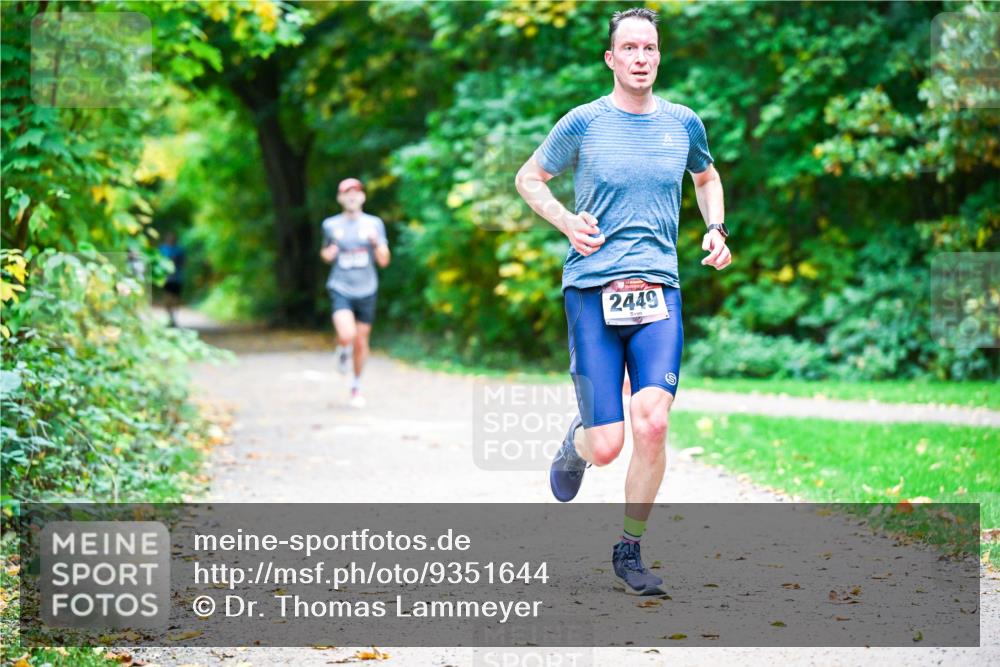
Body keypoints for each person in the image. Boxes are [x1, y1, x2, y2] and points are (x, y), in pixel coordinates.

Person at [514, 7, 732, 595]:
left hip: (659, 289)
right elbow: (528, 178)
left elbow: (706, 178)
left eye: (650, 48)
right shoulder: (583, 123)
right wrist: (564, 221)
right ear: (611, 59)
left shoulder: (683, 123)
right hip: (592, 291)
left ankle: (629, 548)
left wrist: (717, 230)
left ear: (659, 56)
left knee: (653, 422)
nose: (641, 58)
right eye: (630, 48)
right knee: (607, 445)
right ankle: (576, 443)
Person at [320, 177, 391, 408]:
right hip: (341, 286)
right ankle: (342, 349)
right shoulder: (331, 225)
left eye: (356, 192)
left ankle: (356, 385)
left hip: (367, 288)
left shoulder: (374, 224)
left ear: (362, 197)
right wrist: (329, 252)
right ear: (340, 198)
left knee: (361, 341)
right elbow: (325, 255)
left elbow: (384, 260)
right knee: (347, 334)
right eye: (346, 192)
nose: (352, 196)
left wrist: (376, 243)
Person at [158, 232, 185, 327]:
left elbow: (184, 263)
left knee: (176, 299)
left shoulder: (179, 250)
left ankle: (173, 317)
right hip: (166, 279)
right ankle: (171, 317)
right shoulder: (162, 249)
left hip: (177, 278)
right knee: (167, 298)